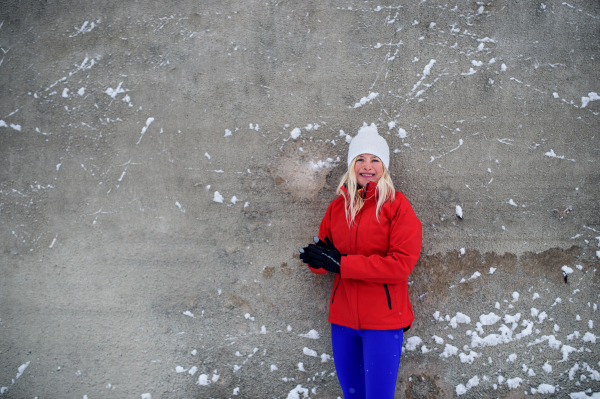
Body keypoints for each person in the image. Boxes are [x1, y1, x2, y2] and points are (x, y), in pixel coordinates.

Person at [299, 123, 422, 399]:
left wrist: (342, 264)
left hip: (383, 322)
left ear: (384, 166)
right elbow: (326, 257)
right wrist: (316, 259)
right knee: (353, 396)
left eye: (375, 159)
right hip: (342, 322)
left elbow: (400, 265)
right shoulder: (337, 208)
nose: (367, 166)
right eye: (361, 159)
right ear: (352, 165)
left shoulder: (397, 206)